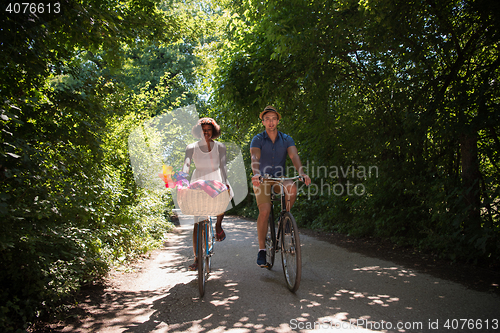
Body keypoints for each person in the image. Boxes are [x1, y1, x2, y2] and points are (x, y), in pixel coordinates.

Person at [250, 106, 311, 267]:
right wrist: (256, 173)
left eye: (273, 118)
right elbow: (255, 156)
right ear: (263, 121)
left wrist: (302, 172)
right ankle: (262, 250)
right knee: (265, 211)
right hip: (262, 179)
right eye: (267, 119)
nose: (271, 122)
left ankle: (285, 219)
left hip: (279, 178)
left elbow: (294, 155)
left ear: (278, 120)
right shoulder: (258, 139)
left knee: (292, 187)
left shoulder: (286, 139)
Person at [182, 117, 231, 271]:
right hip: (198, 180)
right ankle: (197, 258)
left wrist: (225, 182)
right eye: (203, 129)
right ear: (198, 132)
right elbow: (186, 165)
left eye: (209, 129)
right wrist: (182, 179)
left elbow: (223, 166)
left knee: (223, 197)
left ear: (213, 131)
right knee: (198, 221)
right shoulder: (191, 147)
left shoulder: (220, 147)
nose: (206, 132)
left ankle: (218, 225)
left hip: (215, 178)